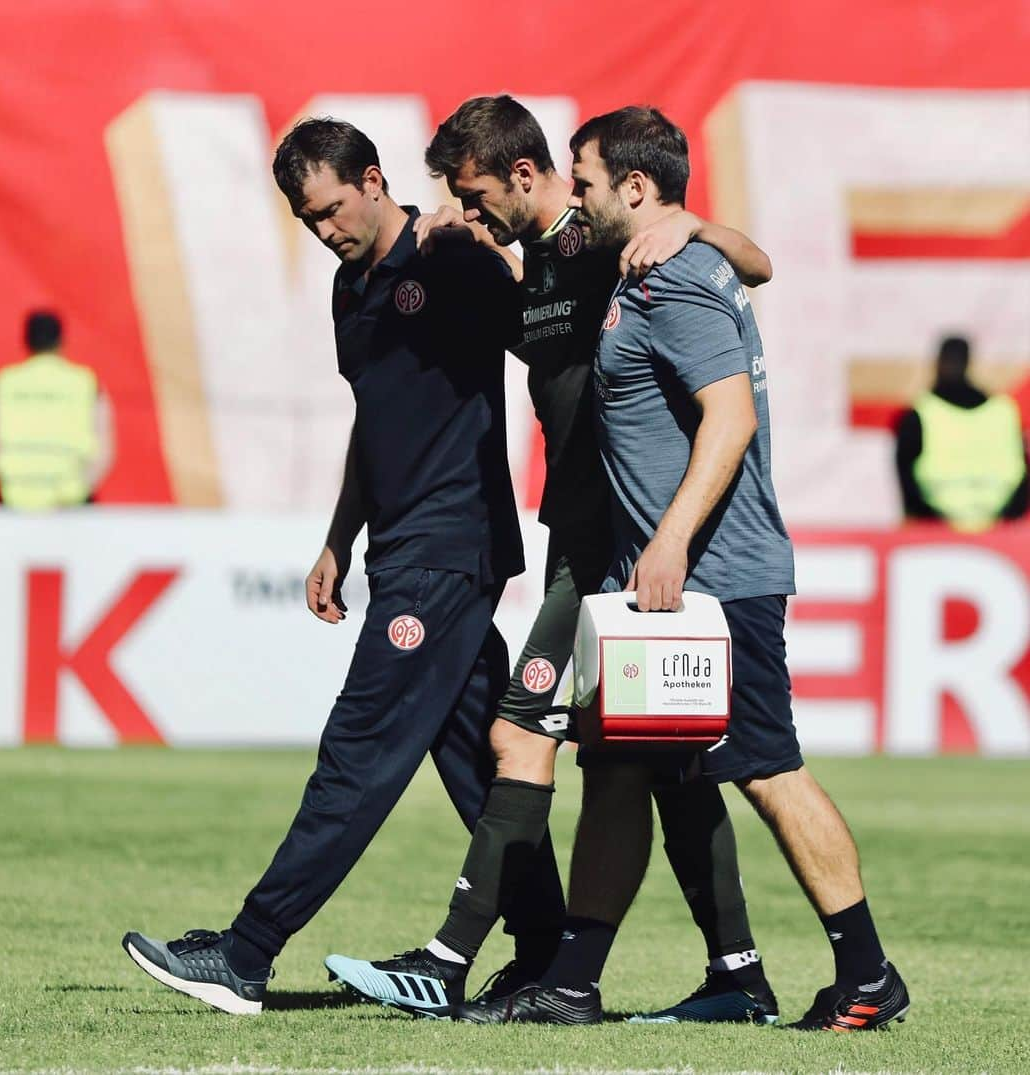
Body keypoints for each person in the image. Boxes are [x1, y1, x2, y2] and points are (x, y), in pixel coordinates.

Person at [325, 95, 782, 1025]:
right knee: (661, 764)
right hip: (579, 540)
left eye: (478, 192)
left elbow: (754, 264)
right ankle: (733, 974)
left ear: (525, 177)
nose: (470, 208)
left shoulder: (607, 242)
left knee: (520, 732)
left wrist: (696, 223)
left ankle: (450, 957)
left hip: (620, 549)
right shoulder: (524, 267)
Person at [459, 106, 909, 1031]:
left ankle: (867, 972)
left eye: (583, 179)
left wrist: (667, 541)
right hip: (653, 588)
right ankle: (573, 982)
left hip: (717, 579)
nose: (571, 194)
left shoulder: (683, 276)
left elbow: (731, 418)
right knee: (616, 772)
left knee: (769, 768)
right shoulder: (642, 265)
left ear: (635, 187)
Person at [121, 117, 568, 1015]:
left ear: (372, 180)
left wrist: (508, 255)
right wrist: (339, 535)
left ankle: (247, 954)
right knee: (478, 758)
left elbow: (551, 340)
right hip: (403, 546)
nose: (324, 230)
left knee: (359, 751)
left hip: (449, 548)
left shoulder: (451, 257)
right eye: (306, 219)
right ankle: (551, 955)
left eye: (331, 209)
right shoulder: (347, 289)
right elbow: (379, 420)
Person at [0, 310, 113, 509]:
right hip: (72, 498)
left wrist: (16, 483)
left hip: (14, 496)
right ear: (61, 340)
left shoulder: (4, 382)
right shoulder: (87, 383)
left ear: (26, 340)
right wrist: (78, 488)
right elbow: (104, 450)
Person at [895, 335, 1027, 530]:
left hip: (940, 531)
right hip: (997, 530)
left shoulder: (921, 413)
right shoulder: (1003, 411)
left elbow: (906, 481)